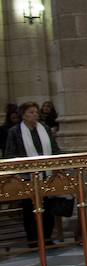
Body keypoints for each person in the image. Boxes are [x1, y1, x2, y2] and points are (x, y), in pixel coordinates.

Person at [5, 102, 62, 247]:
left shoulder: (45, 129)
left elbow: (55, 149)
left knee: (47, 208)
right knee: (29, 209)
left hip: (46, 175)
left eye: (36, 112)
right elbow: (10, 154)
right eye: (30, 112)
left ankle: (47, 237)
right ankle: (33, 239)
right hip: (26, 176)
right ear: (23, 115)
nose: (34, 115)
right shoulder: (15, 131)